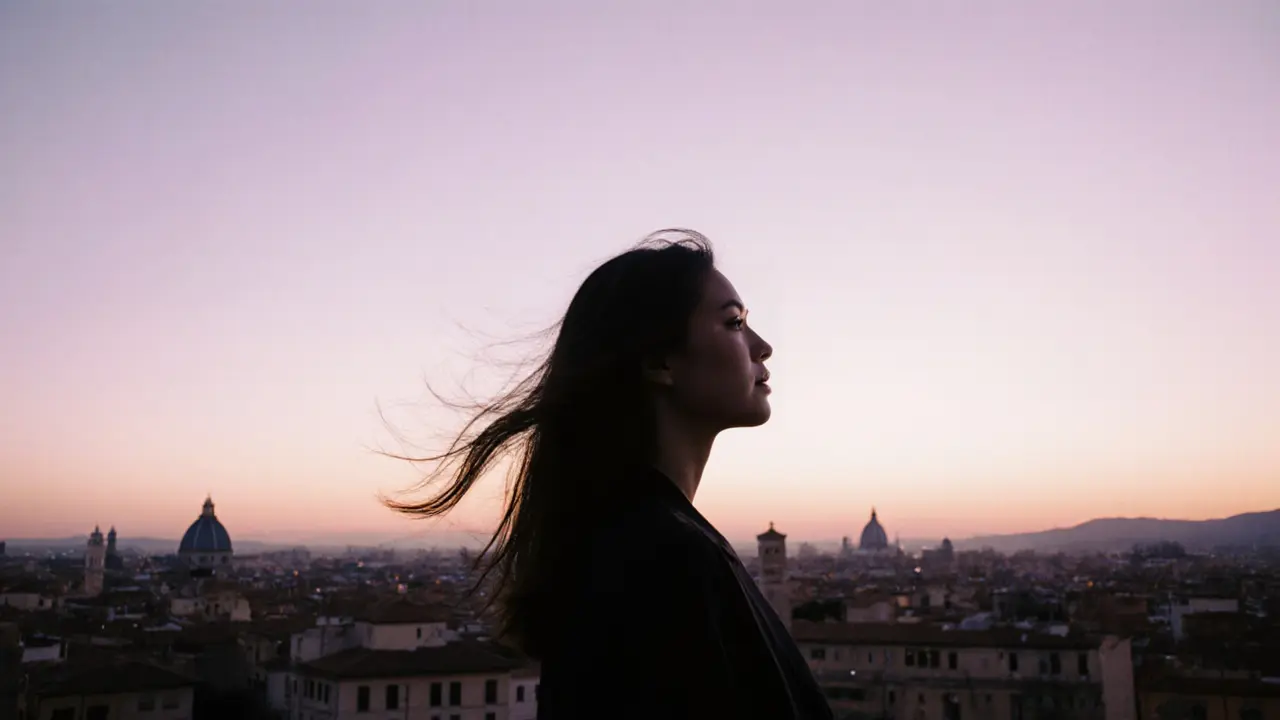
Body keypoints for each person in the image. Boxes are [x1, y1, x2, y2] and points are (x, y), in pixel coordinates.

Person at [386, 229, 833, 719]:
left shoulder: (629, 541)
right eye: (734, 323)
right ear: (660, 361)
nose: (762, 346)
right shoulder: (667, 558)